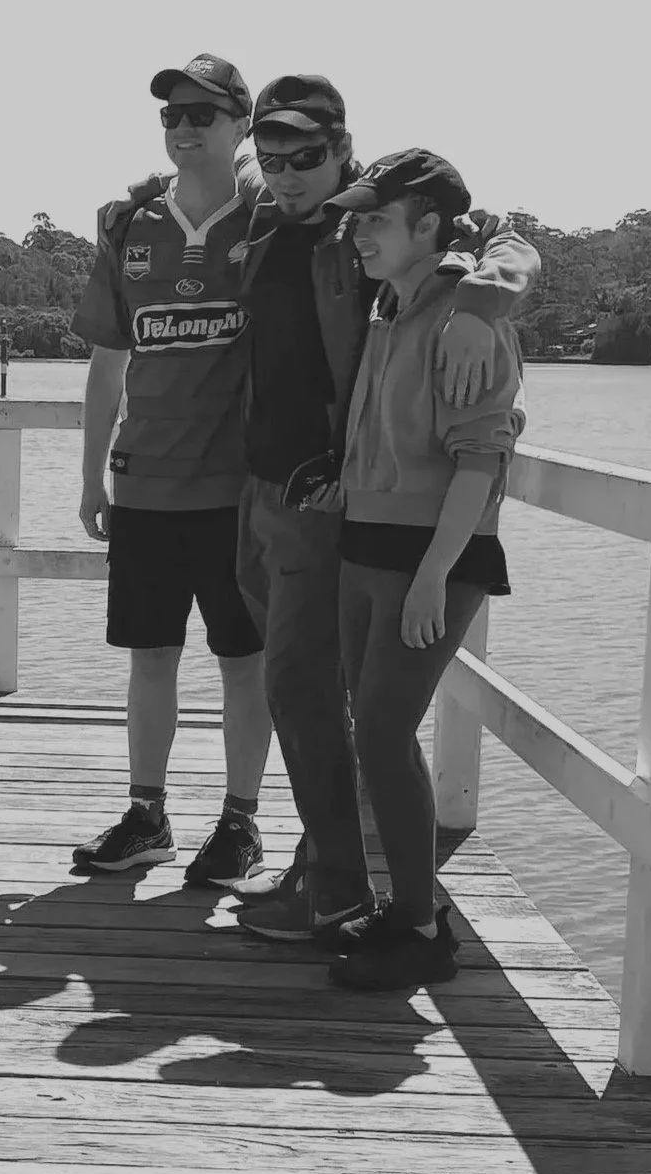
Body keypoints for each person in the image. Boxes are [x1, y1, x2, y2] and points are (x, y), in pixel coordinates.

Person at [230, 77, 538, 943]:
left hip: (342, 516)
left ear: (340, 147)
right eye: (271, 154)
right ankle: (324, 876)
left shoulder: (377, 220)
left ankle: (340, 891)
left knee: (308, 693)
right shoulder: (272, 217)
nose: (287, 171)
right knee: (304, 695)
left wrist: (482, 302)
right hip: (268, 491)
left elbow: (505, 239)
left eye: (306, 155)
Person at [315, 148, 526, 993]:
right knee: (371, 729)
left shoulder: (465, 319)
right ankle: (403, 906)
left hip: (427, 558)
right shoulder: (386, 308)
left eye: (375, 219)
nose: (357, 232)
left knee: (382, 729)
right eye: (356, 218)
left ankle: (422, 924)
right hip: (365, 542)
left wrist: (436, 576)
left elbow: (479, 460)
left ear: (428, 227)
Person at [70, 53, 272, 885]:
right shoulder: (130, 225)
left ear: (239, 122)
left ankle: (240, 823)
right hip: (144, 485)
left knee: (242, 661)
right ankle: (147, 814)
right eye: (170, 116)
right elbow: (105, 363)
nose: (183, 128)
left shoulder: (272, 216)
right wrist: (89, 480)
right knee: (149, 656)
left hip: (237, 491)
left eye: (201, 113)